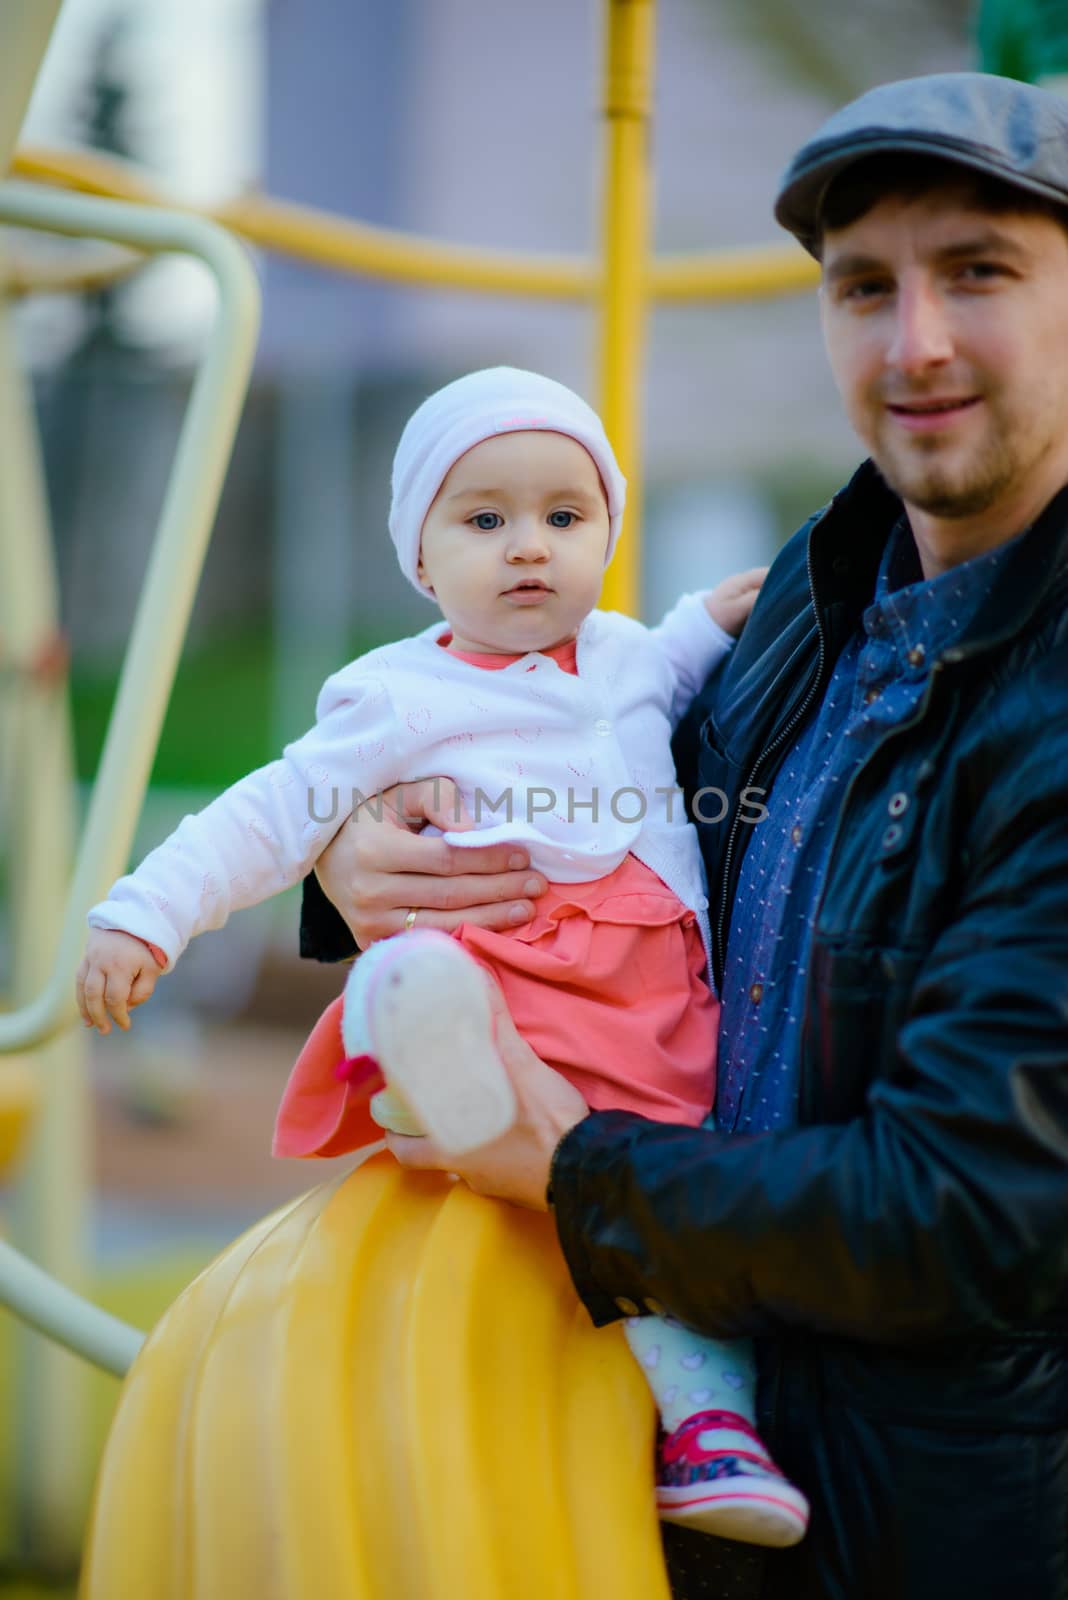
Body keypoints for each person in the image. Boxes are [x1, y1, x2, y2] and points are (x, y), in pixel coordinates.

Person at [300, 73, 1068, 1600]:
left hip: (935, 1526)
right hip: (676, 1467)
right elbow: (622, 818)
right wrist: (362, 855)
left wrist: (576, 1169)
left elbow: (970, 1210)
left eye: (977, 271)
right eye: (864, 287)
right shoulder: (812, 593)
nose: (913, 340)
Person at [74, 365, 815, 1546]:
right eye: (485, 519)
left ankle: (709, 1435)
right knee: (426, 983)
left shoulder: (627, 656)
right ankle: (428, 1053)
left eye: (565, 518)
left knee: (666, 1206)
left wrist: (723, 617)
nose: (530, 547)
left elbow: (676, 653)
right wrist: (142, 915)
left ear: (607, 537)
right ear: (421, 558)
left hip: (653, 1014)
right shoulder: (394, 694)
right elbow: (266, 812)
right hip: (516, 987)